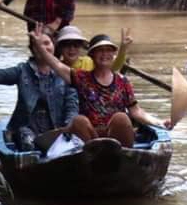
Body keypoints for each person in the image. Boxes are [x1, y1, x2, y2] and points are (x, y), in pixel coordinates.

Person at [29, 27, 169, 148]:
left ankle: (122, 158)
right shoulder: (82, 78)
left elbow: (136, 111)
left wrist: (160, 122)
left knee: (121, 118)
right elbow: (56, 65)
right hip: (91, 137)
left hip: (118, 139)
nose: (105, 54)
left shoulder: (122, 81)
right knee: (79, 121)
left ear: (113, 55)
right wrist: (39, 46)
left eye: (108, 50)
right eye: (100, 51)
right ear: (92, 55)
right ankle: (94, 155)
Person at [0, 29, 78, 151]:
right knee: (28, 143)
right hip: (27, 128)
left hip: (56, 128)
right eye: (39, 44)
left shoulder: (64, 73)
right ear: (33, 49)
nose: (44, 48)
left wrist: (67, 128)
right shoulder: (22, 71)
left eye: (47, 43)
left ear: (54, 46)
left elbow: (72, 106)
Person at [55, 26, 131, 72]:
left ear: (81, 47)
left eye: (75, 45)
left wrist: (123, 49)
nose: (72, 49)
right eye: (67, 45)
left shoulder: (89, 62)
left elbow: (114, 67)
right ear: (60, 48)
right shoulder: (55, 66)